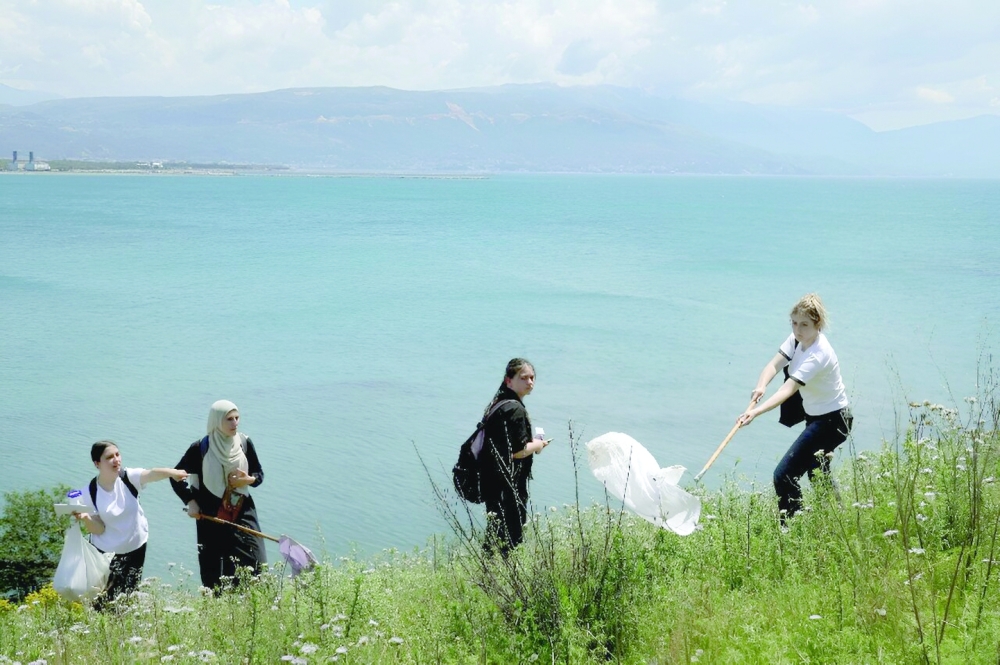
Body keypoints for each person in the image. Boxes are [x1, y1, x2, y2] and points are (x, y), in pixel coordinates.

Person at [737, 294, 853, 523]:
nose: (797, 329)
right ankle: (838, 519)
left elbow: (787, 390)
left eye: (804, 325)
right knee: (817, 471)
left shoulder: (819, 354)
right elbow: (773, 364)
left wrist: (755, 413)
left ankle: (792, 528)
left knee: (784, 475)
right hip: (816, 417)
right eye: (794, 323)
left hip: (833, 421)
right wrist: (760, 387)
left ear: (817, 324)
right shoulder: (797, 339)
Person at [74, 440, 188, 610]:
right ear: (97, 464)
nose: (116, 460)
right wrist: (85, 517)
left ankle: (126, 629)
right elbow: (98, 529)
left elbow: (151, 474)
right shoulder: (89, 492)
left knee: (129, 594)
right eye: (109, 457)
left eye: (117, 455)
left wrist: (173, 472)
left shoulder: (128, 478)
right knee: (104, 599)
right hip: (107, 554)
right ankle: (104, 631)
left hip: (136, 547)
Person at [170, 400, 267, 590]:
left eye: (237, 418)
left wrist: (247, 481)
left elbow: (259, 475)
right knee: (215, 573)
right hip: (210, 517)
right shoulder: (200, 448)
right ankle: (220, 612)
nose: (235, 423)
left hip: (242, 510)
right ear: (216, 421)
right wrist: (190, 501)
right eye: (229, 419)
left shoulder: (244, 443)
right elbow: (175, 476)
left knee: (256, 563)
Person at [478, 358, 549, 555]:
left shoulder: (498, 403)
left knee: (494, 532)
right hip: (509, 482)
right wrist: (538, 444)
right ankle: (507, 577)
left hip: (493, 479)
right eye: (523, 378)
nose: (530, 382)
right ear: (509, 380)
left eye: (532, 378)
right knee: (512, 537)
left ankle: (488, 575)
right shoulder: (515, 409)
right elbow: (517, 451)